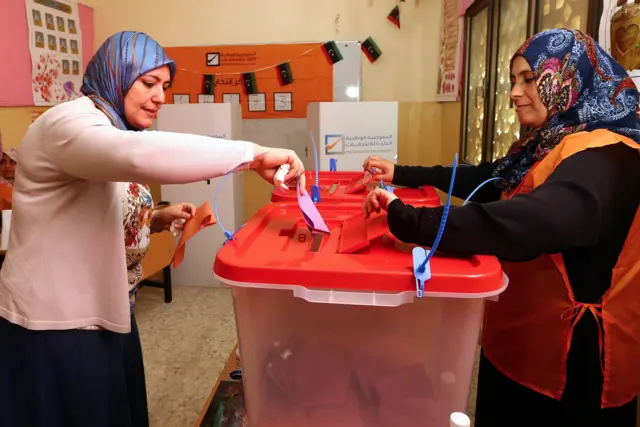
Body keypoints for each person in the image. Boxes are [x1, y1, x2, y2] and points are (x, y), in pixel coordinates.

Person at [0, 31, 305, 427]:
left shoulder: (113, 128)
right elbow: (137, 159)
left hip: (109, 305)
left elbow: (96, 200)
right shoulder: (68, 122)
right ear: (116, 75)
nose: (161, 96)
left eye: (165, 86)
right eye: (148, 83)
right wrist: (252, 154)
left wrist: (156, 218)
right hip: (58, 320)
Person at [363, 28, 640, 426]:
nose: (514, 92)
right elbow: (491, 180)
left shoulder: (605, 156)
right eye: (514, 79)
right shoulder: (549, 143)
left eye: (530, 78)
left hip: (568, 362)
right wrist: (402, 172)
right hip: (519, 337)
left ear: (567, 77)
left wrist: (410, 220)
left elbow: (530, 222)